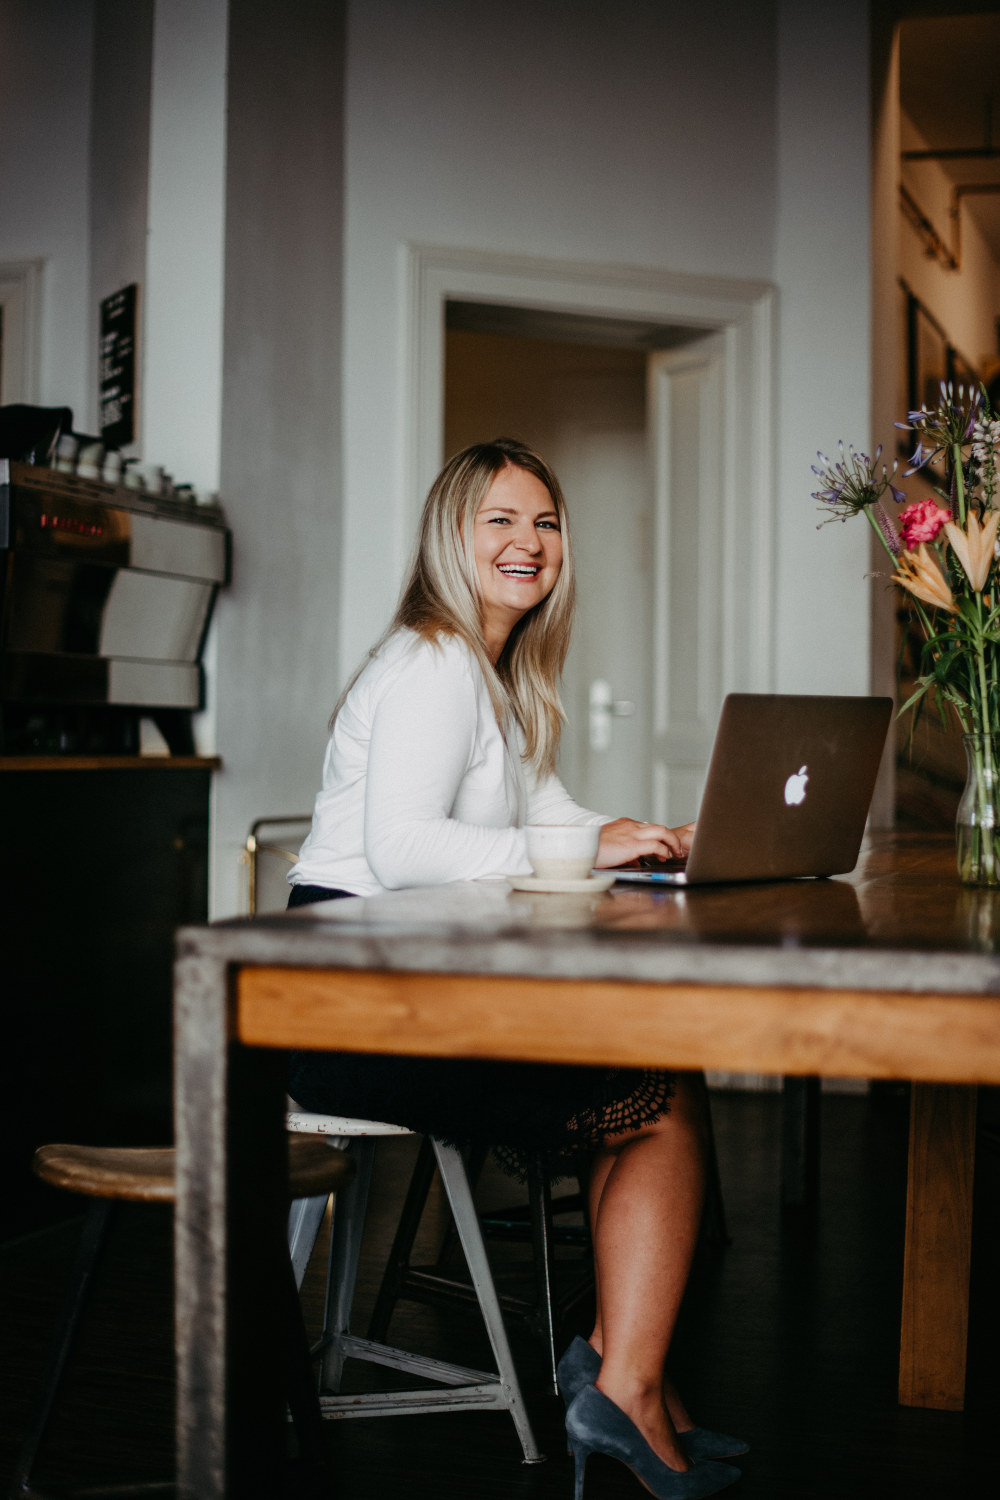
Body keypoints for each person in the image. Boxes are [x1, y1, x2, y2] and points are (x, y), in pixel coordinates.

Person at [288, 438, 744, 1499]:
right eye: (499, 519)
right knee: (662, 1097)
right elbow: (403, 851)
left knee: (659, 1070)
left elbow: (545, 819)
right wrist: (593, 849)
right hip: (355, 1004)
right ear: (452, 536)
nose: (527, 542)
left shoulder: (495, 675)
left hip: (410, 983)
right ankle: (621, 1390)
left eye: (544, 523)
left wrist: (646, 833)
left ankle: (629, 1379)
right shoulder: (436, 661)